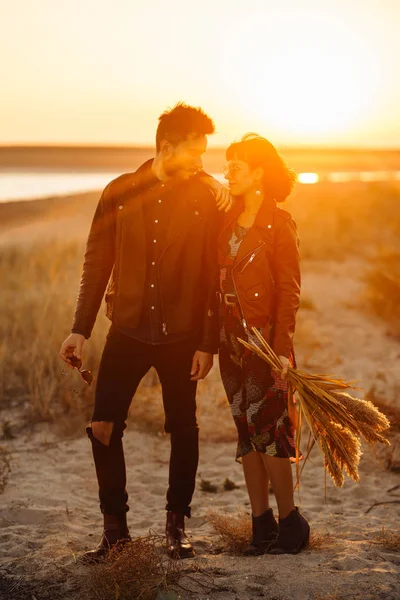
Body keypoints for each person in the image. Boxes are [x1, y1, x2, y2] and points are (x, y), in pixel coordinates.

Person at [59, 103, 230, 561]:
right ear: (166, 146)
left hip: (182, 336)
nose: (201, 161)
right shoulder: (119, 191)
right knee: (101, 428)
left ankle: (177, 527)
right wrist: (80, 330)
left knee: (183, 428)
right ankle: (115, 532)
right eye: (195, 152)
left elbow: (215, 273)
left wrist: (207, 342)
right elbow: (97, 264)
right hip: (128, 331)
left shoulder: (204, 196)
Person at [218, 133, 310, 555]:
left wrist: (281, 349)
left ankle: (291, 522)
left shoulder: (279, 222)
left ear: (258, 172)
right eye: (227, 162)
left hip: (264, 344)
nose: (228, 170)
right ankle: (261, 524)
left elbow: (289, 291)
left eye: (237, 164)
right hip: (229, 343)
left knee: (272, 432)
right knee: (245, 433)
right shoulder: (225, 220)